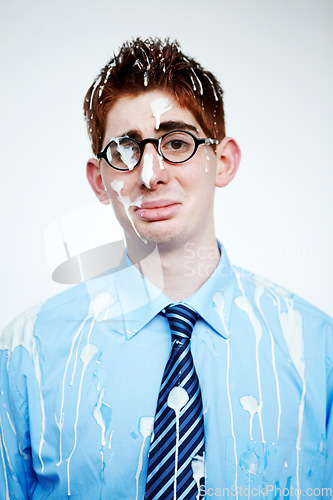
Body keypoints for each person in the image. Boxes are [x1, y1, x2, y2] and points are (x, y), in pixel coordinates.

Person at [0, 37, 332, 500]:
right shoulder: (25, 357)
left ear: (224, 162)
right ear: (100, 180)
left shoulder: (318, 352)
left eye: (176, 142)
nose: (151, 173)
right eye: (125, 149)